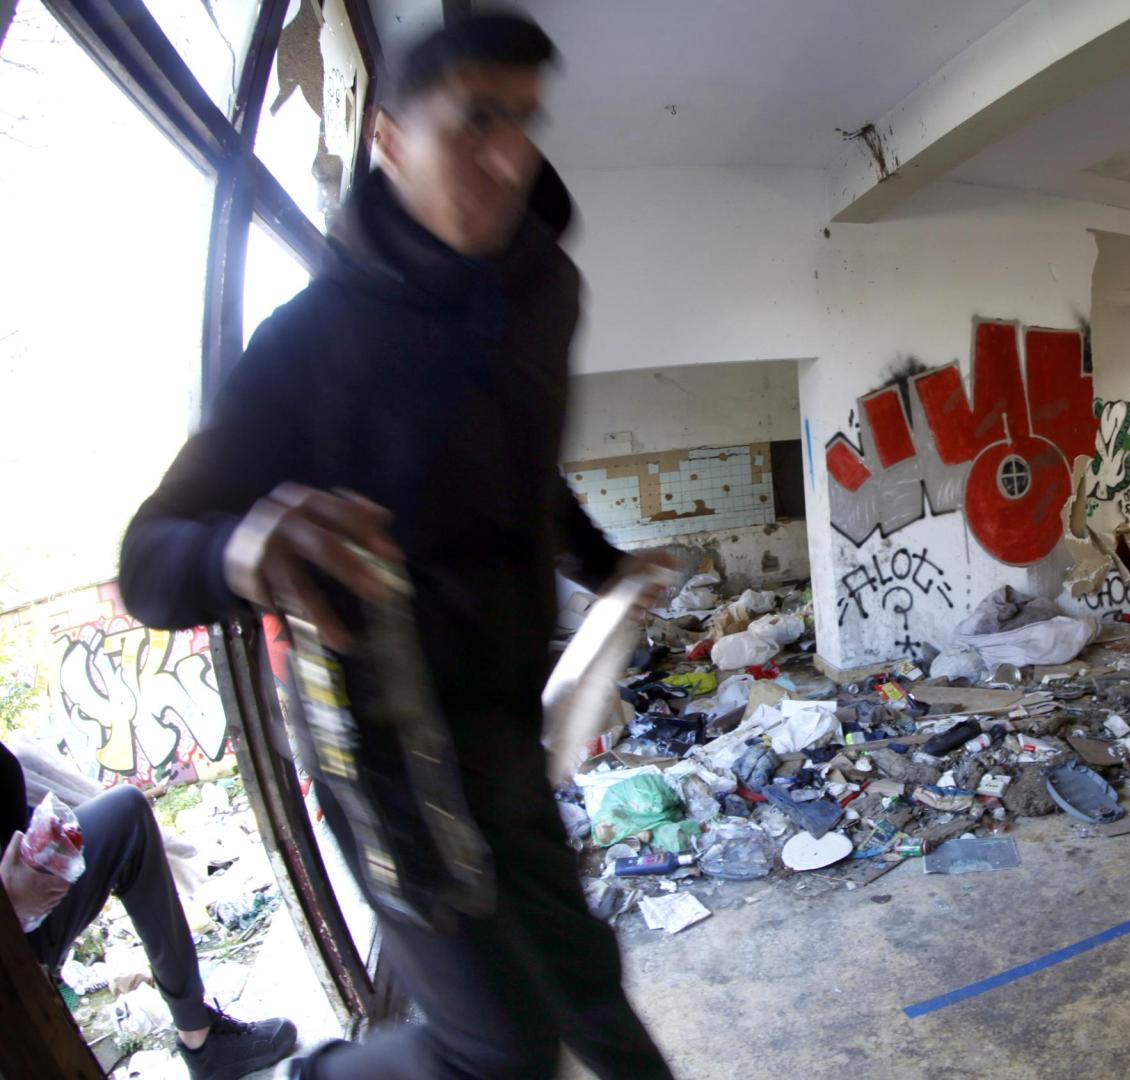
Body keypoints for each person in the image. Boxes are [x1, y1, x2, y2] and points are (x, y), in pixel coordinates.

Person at [118, 13, 675, 1080]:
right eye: (475, 122)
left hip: (510, 723)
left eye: (524, 122)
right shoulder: (311, 341)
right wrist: (241, 547)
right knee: (498, 1054)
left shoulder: (546, 295)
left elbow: (520, 473)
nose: (514, 158)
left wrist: (604, 567)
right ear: (387, 140)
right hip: (385, 753)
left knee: (586, 981)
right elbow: (151, 559)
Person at [2, 742, 298, 1079]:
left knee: (127, 812)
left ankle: (199, 1034)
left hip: (26, 886)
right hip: (11, 939)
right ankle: (198, 1036)